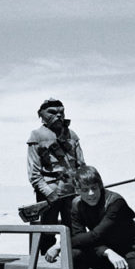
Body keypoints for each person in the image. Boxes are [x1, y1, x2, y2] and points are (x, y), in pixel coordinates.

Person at [27, 98, 86, 252]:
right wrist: (49, 192)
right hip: (49, 194)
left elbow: (81, 166)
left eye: (61, 112)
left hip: (72, 192)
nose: (58, 115)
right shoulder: (36, 136)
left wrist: (82, 188)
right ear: (41, 114)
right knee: (48, 233)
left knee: (75, 230)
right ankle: (47, 267)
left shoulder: (72, 135)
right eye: (52, 112)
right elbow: (34, 174)